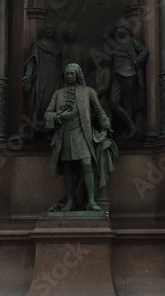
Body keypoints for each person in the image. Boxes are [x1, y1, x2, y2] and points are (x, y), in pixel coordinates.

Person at [45, 63, 116, 211]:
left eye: (72, 73)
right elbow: (47, 114)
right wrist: (59, 116)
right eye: (68, 74)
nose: (70, 76)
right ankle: (70, 201)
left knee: (87, 163)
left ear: (78, 75)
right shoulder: (58, 93)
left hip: (82, 133)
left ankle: (91, 201)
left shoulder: (88, 91)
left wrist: (106, 125)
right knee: (67, 167)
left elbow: (99, 110)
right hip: (64, 134)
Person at [107, 20, 149, 138]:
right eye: (118, 29)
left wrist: (136, 61)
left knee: (127, 102)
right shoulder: (114, 44)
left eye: (121, 28)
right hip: (116, 74)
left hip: (128, 73)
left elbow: (144, 50)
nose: (119, 30)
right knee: (114, 102)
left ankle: (130, 129)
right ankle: (132, 126)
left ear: (126, 30)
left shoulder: (131, 41)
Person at [22, 24, 62, 131]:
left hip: (54, 77)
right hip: (41, 77)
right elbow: (32, 60)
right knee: (40, 101)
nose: (49, 31)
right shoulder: (38, 45)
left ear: (54, 32)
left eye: (51, 29)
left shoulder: (57, 47)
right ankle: (37, 128)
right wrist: (28, 75)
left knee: (53, 101)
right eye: (47, 29)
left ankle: (50, 128)